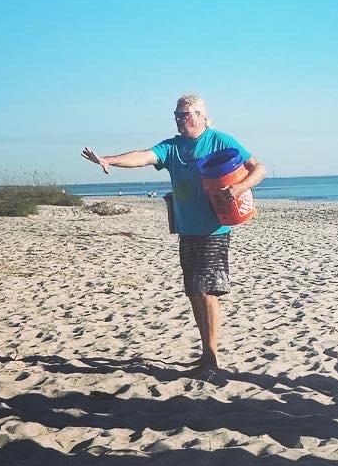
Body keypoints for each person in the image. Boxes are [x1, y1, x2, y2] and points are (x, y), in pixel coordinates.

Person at [81, 94, 265, 380]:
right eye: (178, 115)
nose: (182, 119)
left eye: (188, 114)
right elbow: (143, 156)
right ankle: (206, 354)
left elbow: (259, 169)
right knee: (194, 292)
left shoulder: (221, 140)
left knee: (207, 292)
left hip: (214, 229)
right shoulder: (173, 147)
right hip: (186, 229)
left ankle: (212, 358)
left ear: (203, 116)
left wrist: (240, 188)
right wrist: (109, 160)